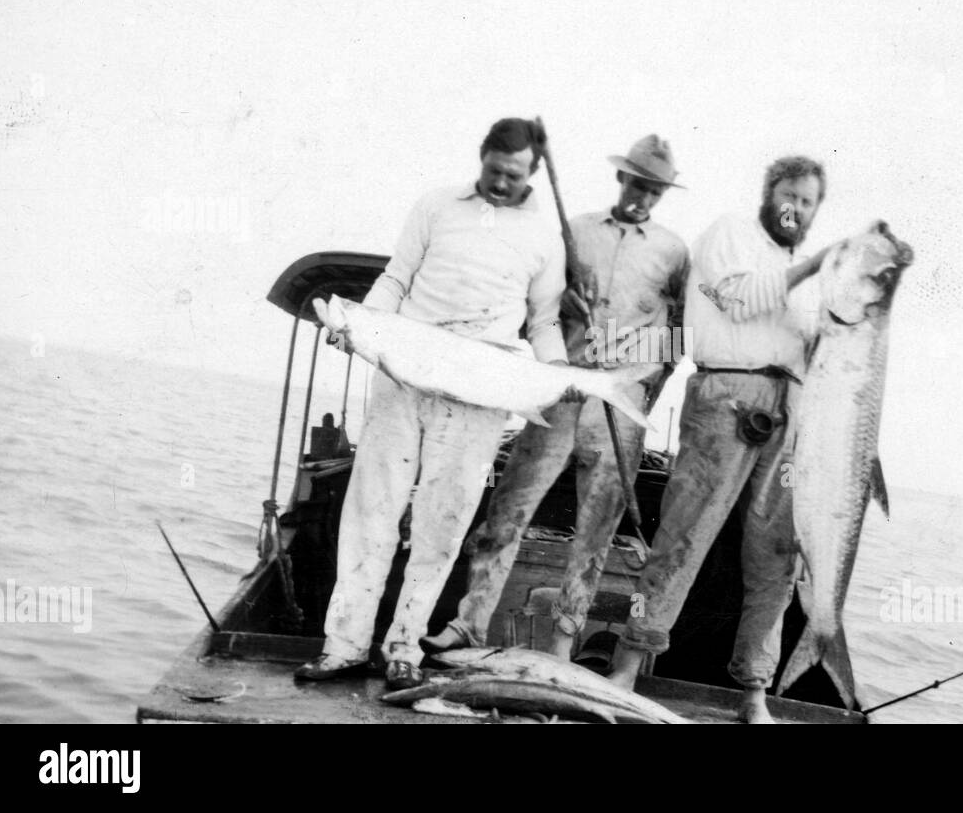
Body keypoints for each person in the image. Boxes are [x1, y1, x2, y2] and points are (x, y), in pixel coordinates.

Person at [295, 118, 572, 690]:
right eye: (493, 170)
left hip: (477, 394)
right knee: (372, 511)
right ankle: (343, 645)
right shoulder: (436, 205)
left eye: (512, 175)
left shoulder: (546, 239)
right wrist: (360, 326)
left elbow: (543, 321)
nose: (500, 182)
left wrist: (559, 371)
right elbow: (397, 279)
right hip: (405, 373)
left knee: (441, 526)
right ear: (481, 159)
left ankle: (403, 651)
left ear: (533, 172)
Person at [422, 135, 689, 660]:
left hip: (620, 403)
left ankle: (564, 641)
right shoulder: (574, 231)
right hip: (561, 389)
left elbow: (679, 332)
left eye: (654, 191)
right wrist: (563, 295)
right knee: (508, 510)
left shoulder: (675, 251)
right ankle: (469, 623)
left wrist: (647, 390)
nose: (643, 197)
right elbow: (538, 302)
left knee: (596, 533)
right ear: (622, 179)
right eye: (637, 184)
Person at [608, 155, 831, 723]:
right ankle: (626, 666)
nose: (796, 209)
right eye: (788, 196)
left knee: (777, 560)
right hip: (727, 398)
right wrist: (811, 271)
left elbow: (822, 345)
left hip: (794, 410)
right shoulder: (731, 233)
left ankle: (755, 690)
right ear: (768, 193)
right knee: (683, 537)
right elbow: (737, 299)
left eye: (807, 201)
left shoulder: (809, 268)